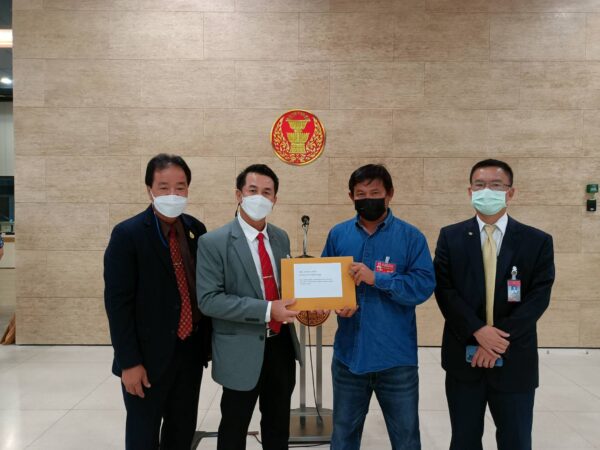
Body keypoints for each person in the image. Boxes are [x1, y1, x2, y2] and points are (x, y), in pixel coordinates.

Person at [434, 159, 555, 450]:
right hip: (464, 359)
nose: (487, 191)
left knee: (516, 441)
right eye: (480, 185)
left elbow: (538, 297)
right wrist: (478, 331)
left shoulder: (537, 241)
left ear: (510, 192)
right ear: (470, 191)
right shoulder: (450, 237)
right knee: (464, 440)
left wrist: (495, 341)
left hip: (515, 361)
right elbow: (445, 291)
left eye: (496, 185)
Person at [322, 164, 435, 450]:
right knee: (343, 436)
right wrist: (337, 304)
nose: (367, 198)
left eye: (375, 192)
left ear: (389, 194)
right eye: (361, 194)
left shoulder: (411, 237)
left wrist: (377, 279)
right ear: (351, 196)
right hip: (349, 357)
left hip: (396, 359)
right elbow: (326, 283)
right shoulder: (338, 234)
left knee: (406, 439)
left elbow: (423, 286)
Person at [104, 153, 211, 449]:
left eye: (180, 187)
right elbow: (117, 305)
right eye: (164, 187)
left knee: (181, 431)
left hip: (189, 353)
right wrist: (129, 363)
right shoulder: (127, 234)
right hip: (146, 359)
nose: (173, 194)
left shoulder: (196, 230)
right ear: (149, 189)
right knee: (143, 435)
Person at [196, 164, 301, 450]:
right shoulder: (213, 242)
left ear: (275, 199)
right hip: (239, 348)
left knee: (278, 425)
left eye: (267, 192)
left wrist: (311, 303)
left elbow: (286, 289)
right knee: (234, 425)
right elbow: (209, 300)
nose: (259, 198)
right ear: (238, 195)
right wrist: (267, 310)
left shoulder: (280, 237)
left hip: (280, 345)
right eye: (252, 190)